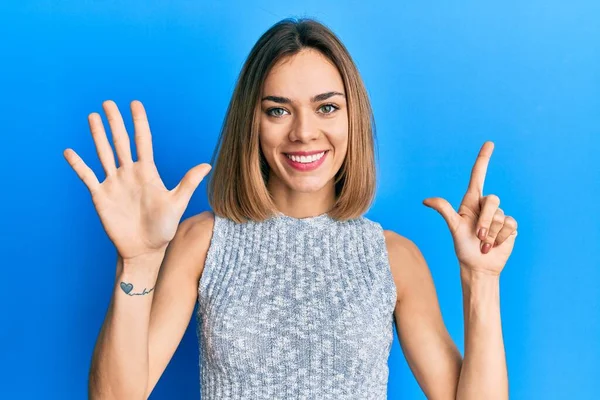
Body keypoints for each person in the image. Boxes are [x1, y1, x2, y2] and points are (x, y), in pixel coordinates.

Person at [64, 17, 518, 400]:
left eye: (326, 107)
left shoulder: (394, 258)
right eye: (278, 110)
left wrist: (482, 280)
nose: (303, 132)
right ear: (253, 123)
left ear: (351, 118)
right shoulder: (203, 241)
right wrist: (138, 262)